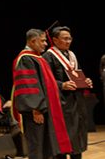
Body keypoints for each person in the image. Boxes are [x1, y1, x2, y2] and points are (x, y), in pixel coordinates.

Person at [11, 28, 72, 159]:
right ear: (33, 41)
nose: (46, 44)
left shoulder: (37, 58)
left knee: (46, 147)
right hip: (36, 112)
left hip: (44, 110)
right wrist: (36, 108)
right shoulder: (25, 59)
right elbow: (29, 85)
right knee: (37, 147)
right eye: (43, 41)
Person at [43, 26, 93, 159]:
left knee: (77, 139)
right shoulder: (48, 56)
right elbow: (45, 80)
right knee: (63, 139)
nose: (68, 41)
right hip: (61, 104)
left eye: (70, 38)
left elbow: (76, 74)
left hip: (76, 102)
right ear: (55, 40)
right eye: (65, 38)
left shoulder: (71, 55)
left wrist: (85, 81)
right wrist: (61, 85)